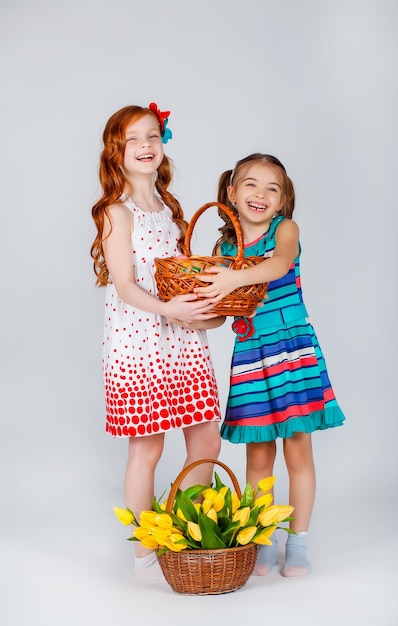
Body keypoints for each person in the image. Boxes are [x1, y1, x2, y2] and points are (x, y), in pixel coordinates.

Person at [194, 153, 346, 577]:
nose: (259, 194)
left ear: (282, 202)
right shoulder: (224, 250)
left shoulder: (286, 230)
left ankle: (297, 543)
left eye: (271, 188)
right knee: (259, 457)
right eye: (250, 184)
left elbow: (279, 265)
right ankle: (262, 537)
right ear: (231, 193)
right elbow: (221, 311)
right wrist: (188, 312)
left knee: (297, 451)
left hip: (292, 350)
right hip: (251, 356)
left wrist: (231, 277)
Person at [90, 103, 223, 580]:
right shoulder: (115, 212)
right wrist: (172, 311)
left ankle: (186, 528)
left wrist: (206, 312)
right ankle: (147, 552)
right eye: (133, 140)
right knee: (146, 448)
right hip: (140, 340)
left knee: (207, 437)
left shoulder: (168, 208)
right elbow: (125, 286)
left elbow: (177, 278)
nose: (145, 146)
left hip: (181, 337)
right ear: (116, 152)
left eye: (152, 136)